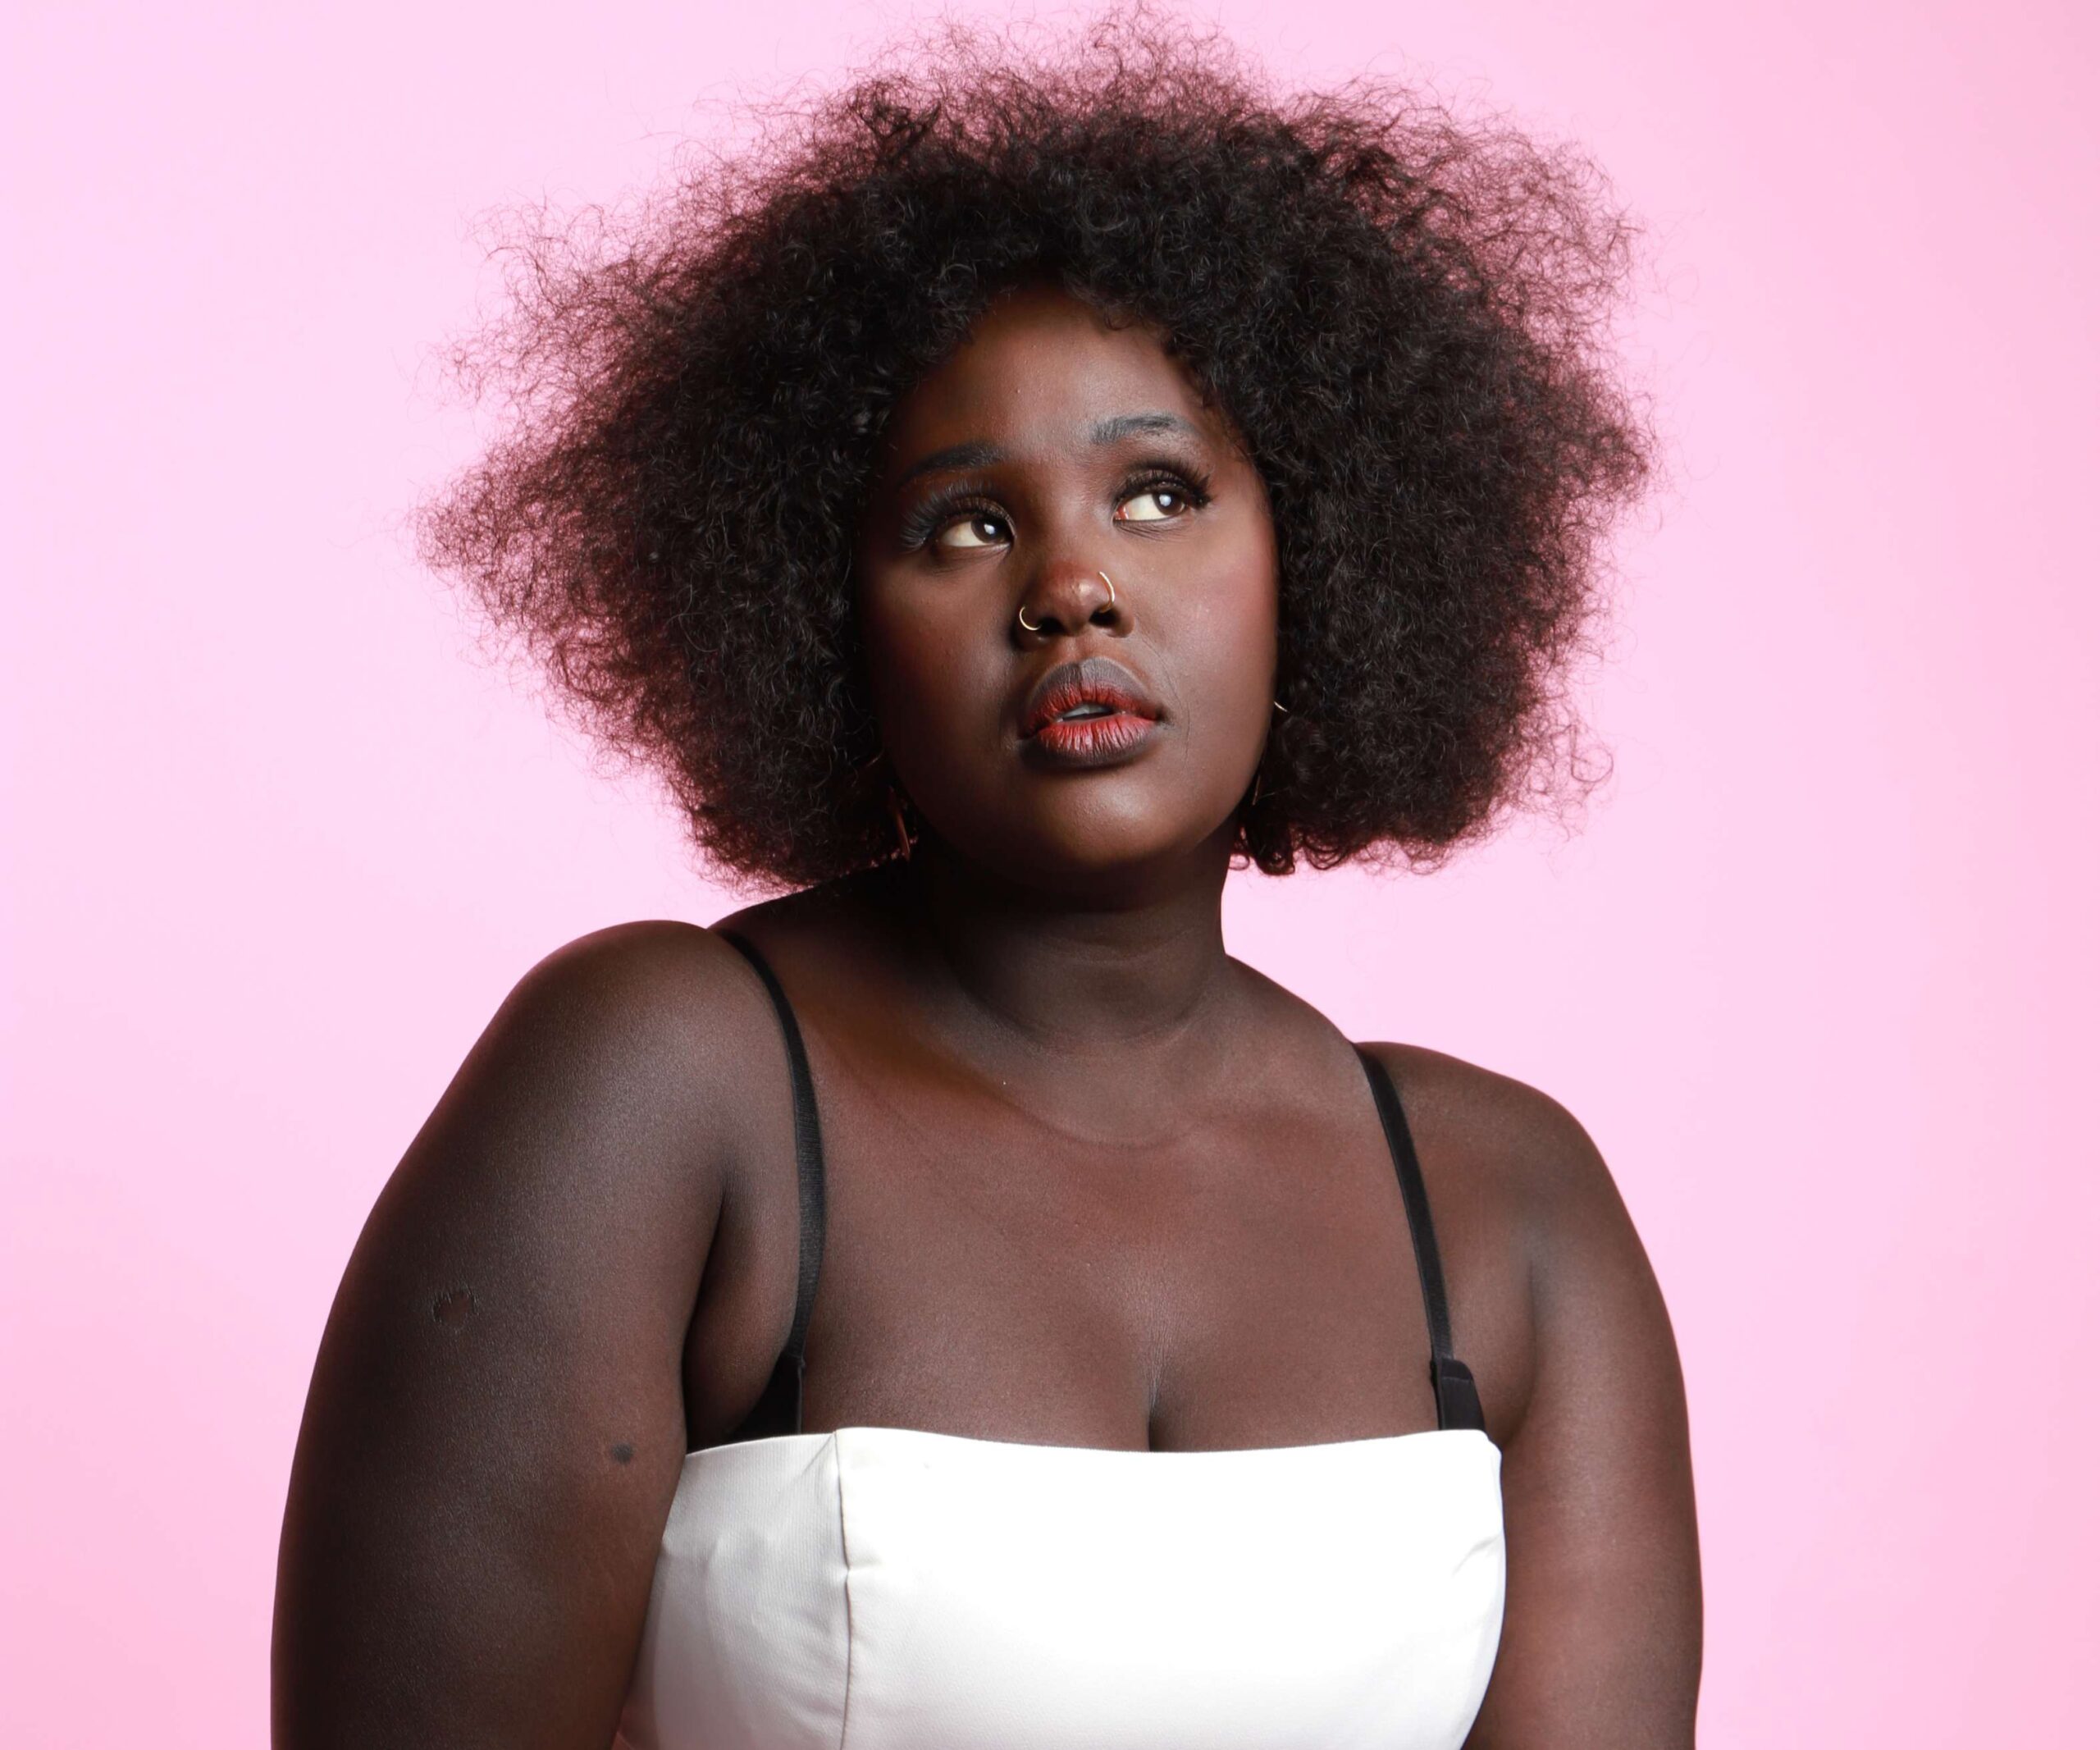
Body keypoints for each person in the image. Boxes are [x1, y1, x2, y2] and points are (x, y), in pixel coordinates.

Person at [273, 16, 1700, 1748]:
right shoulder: (661, 1083)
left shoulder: (1509, 1212)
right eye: (965, 521)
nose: (1071, 587)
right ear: (822, 617)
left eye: (1158, 493)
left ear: (1318, 561)